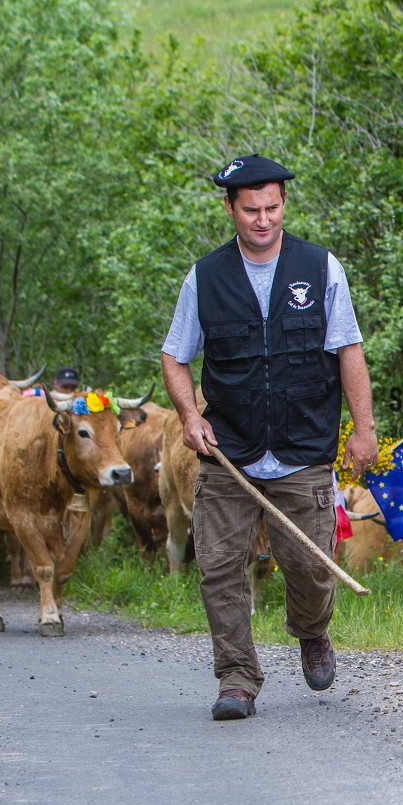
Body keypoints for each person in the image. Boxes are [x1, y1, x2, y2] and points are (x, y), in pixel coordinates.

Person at [161, 153, 377, 721]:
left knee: (308, 565)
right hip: (228, 451)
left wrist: (364, 429)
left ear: (284, 205)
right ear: (230, 208)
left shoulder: (320, 268)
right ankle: (236, 678)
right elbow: (175, 356)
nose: (263, 220)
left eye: (272, 208)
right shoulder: (204, 278)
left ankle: (311, 630)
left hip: (303, 447)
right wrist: (189, 416)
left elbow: (348, 351)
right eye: (251, 210)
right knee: (219, 568)